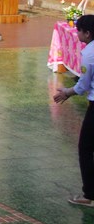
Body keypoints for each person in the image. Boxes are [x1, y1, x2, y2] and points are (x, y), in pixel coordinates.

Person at [54, 15, 94, 208]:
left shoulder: (89, 54)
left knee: (85, 148)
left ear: (87, 33)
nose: (76, 33)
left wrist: (67, 92)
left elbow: (83, 85)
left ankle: (89, 194)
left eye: (79, 30)